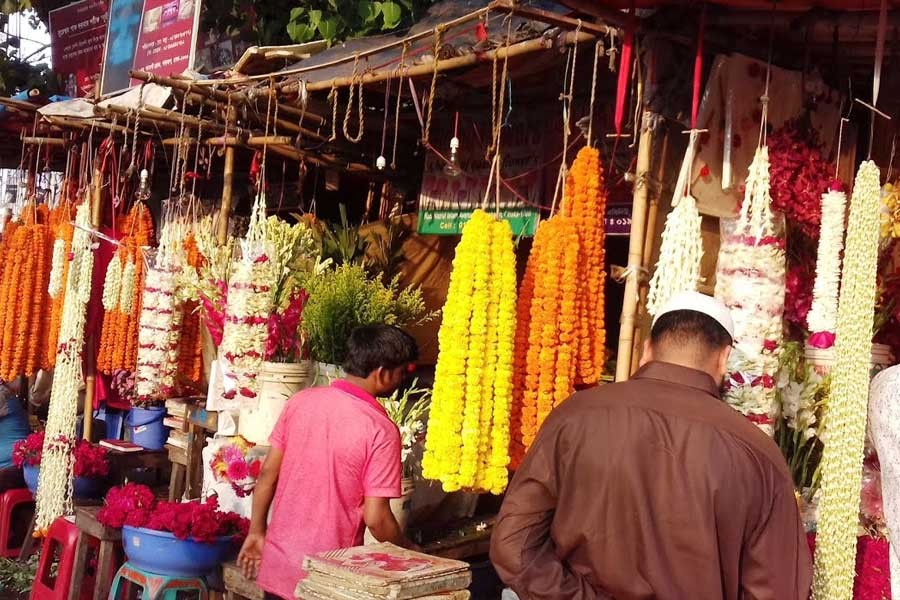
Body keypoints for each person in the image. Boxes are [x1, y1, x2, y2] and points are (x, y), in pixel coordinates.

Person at [491, 291, 812, 600]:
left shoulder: (574, 416)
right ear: (724, 357)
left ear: (647, 349)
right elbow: (777, 587)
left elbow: (513, 545)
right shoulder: (755, 451)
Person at [238, 325, 420, 600]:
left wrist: (256, 531)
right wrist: (406, 549)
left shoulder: (300, 402)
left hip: (278, 566)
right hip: (326, 577)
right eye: (402, 372)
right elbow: (377, 518)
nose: (402, 380)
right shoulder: (380, 429)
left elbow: (267, 475)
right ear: (382, 373)